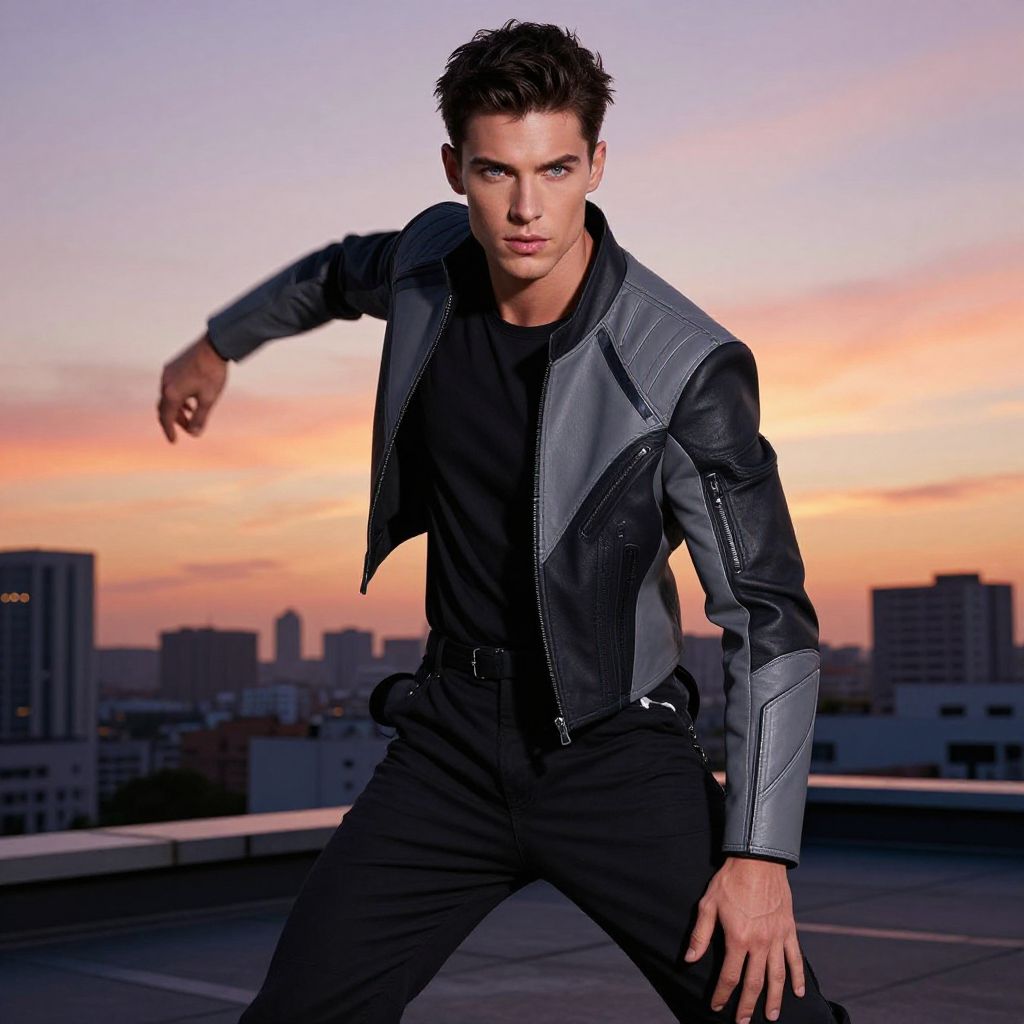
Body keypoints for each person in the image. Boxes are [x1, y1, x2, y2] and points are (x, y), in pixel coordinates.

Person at [157, 19, 852, 1024]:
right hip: (447, 739)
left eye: (556, 168)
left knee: (768, 1016)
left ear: (596, 164)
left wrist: (756, 854)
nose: (526, 208)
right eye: (494, 173)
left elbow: (768, 614)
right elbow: (332, 273)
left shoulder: (682, 366)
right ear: (455, 169)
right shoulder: (430, 261)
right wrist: (217, 345)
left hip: (616, 749)